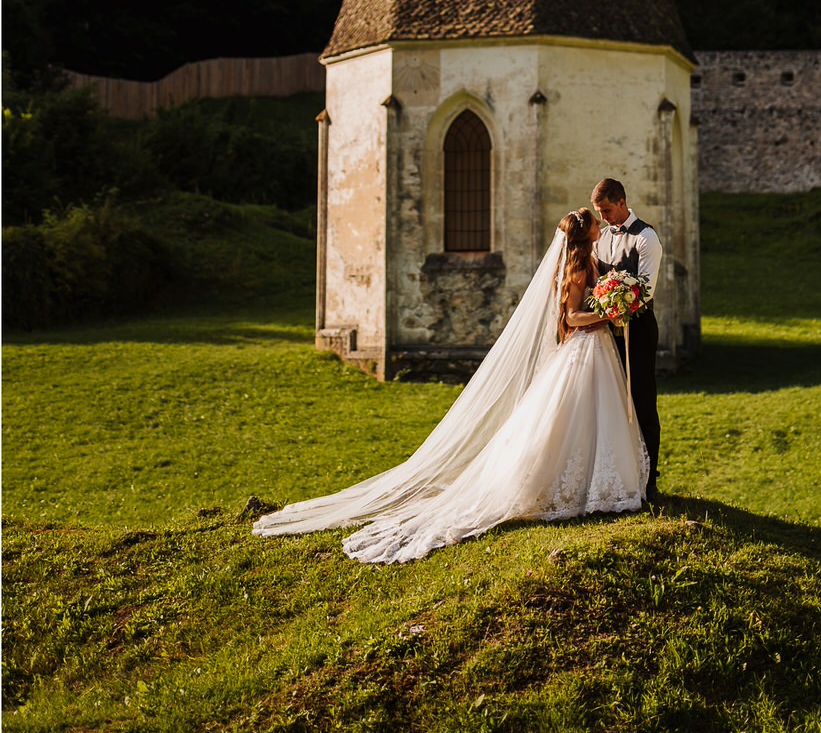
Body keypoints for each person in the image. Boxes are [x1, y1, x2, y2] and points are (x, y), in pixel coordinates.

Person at [252, 209, 647, 564]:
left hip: (597, 351)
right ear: (585, 233)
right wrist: (606, 317)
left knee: (596, 416)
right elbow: (572, 316)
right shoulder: (576, 270)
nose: (600, 223)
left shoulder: (591, 261)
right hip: (584, 348)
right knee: (571, 416)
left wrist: (613, 308)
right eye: (595, 221)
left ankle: (604, 486)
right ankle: (567, 487)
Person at [591, 178, 662, 495]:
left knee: (643, 402)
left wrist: (617, 306)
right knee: (612, 401)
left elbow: (646, 289)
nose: (603, 218)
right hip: (607, 332)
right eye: (599, 212)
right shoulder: (601, 239)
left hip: (640, 329)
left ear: (621, 202)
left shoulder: (647, 238)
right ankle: (621, 476)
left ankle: (650, 480)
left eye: (606, 210)